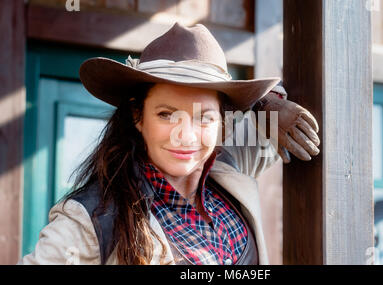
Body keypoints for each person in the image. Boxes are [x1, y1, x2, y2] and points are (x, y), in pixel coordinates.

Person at [18, 23, 320, 265]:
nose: (185, 136)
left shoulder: (230, 171)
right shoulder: (94, 219)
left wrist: (266, 105)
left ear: (223, 123)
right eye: (166, 114)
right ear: (138, 116)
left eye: (204, 118)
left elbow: (273, 115)